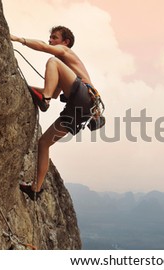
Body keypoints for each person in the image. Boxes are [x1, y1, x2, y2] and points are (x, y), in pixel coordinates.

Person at [11, 26, 97, 201]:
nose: (50, 41)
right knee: (43, 143)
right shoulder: (64, 73)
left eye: (54, 38)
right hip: (81, 110)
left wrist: (19, 39)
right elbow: (54, 92)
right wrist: (23, 87)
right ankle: (36, 188)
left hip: (83, 96)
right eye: (50, 38)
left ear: (65, 42)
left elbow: (44, 48)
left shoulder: (64, 53)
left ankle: (45, 100)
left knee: (52, 60)